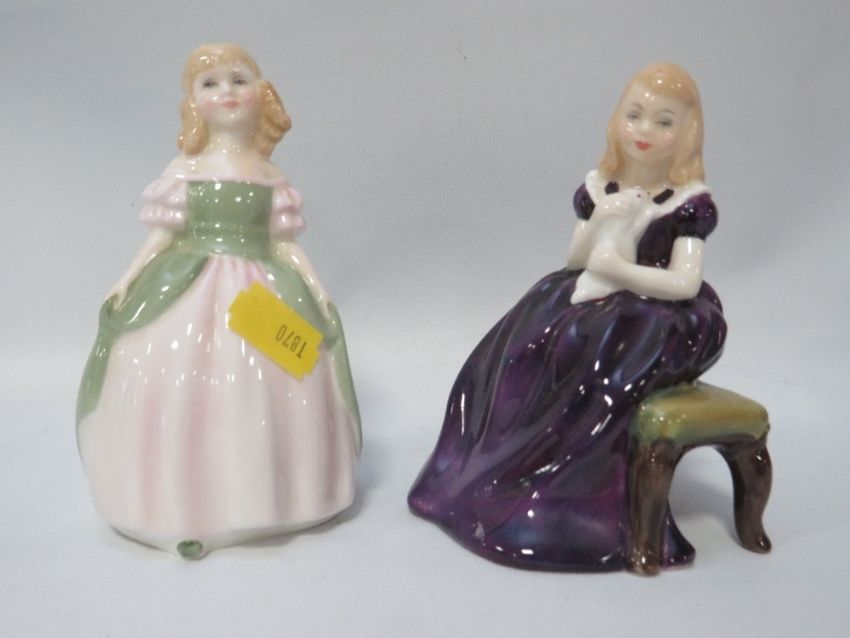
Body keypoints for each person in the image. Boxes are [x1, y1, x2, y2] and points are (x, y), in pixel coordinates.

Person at [408, 63, 725, 572]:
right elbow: (576, 258)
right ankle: (481, 472)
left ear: (686, 133)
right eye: (635, 115)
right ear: (617, 120)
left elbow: (684, 284)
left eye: (664, 122)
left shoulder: (687, 204)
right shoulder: (601, 186)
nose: (644, 130)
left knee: (597, 352)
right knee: (522, 344)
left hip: (659, 315)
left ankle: (570, 496)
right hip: (594, 291)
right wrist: (601, 222)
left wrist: (620, 271)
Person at [77, 44, 361, 559]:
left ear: (261, 94)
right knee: (171, 377)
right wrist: (127, 278)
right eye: (210, 83)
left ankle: (278, 496)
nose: (226, 91)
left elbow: (285, 244)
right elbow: (162, 236)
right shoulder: (184, 169)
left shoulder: (269, 176)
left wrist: (316, 288)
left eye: (238, 79)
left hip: (261, 292)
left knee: (281, 373)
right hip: (188, 280)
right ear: (193, 102)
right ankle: (174, 501)